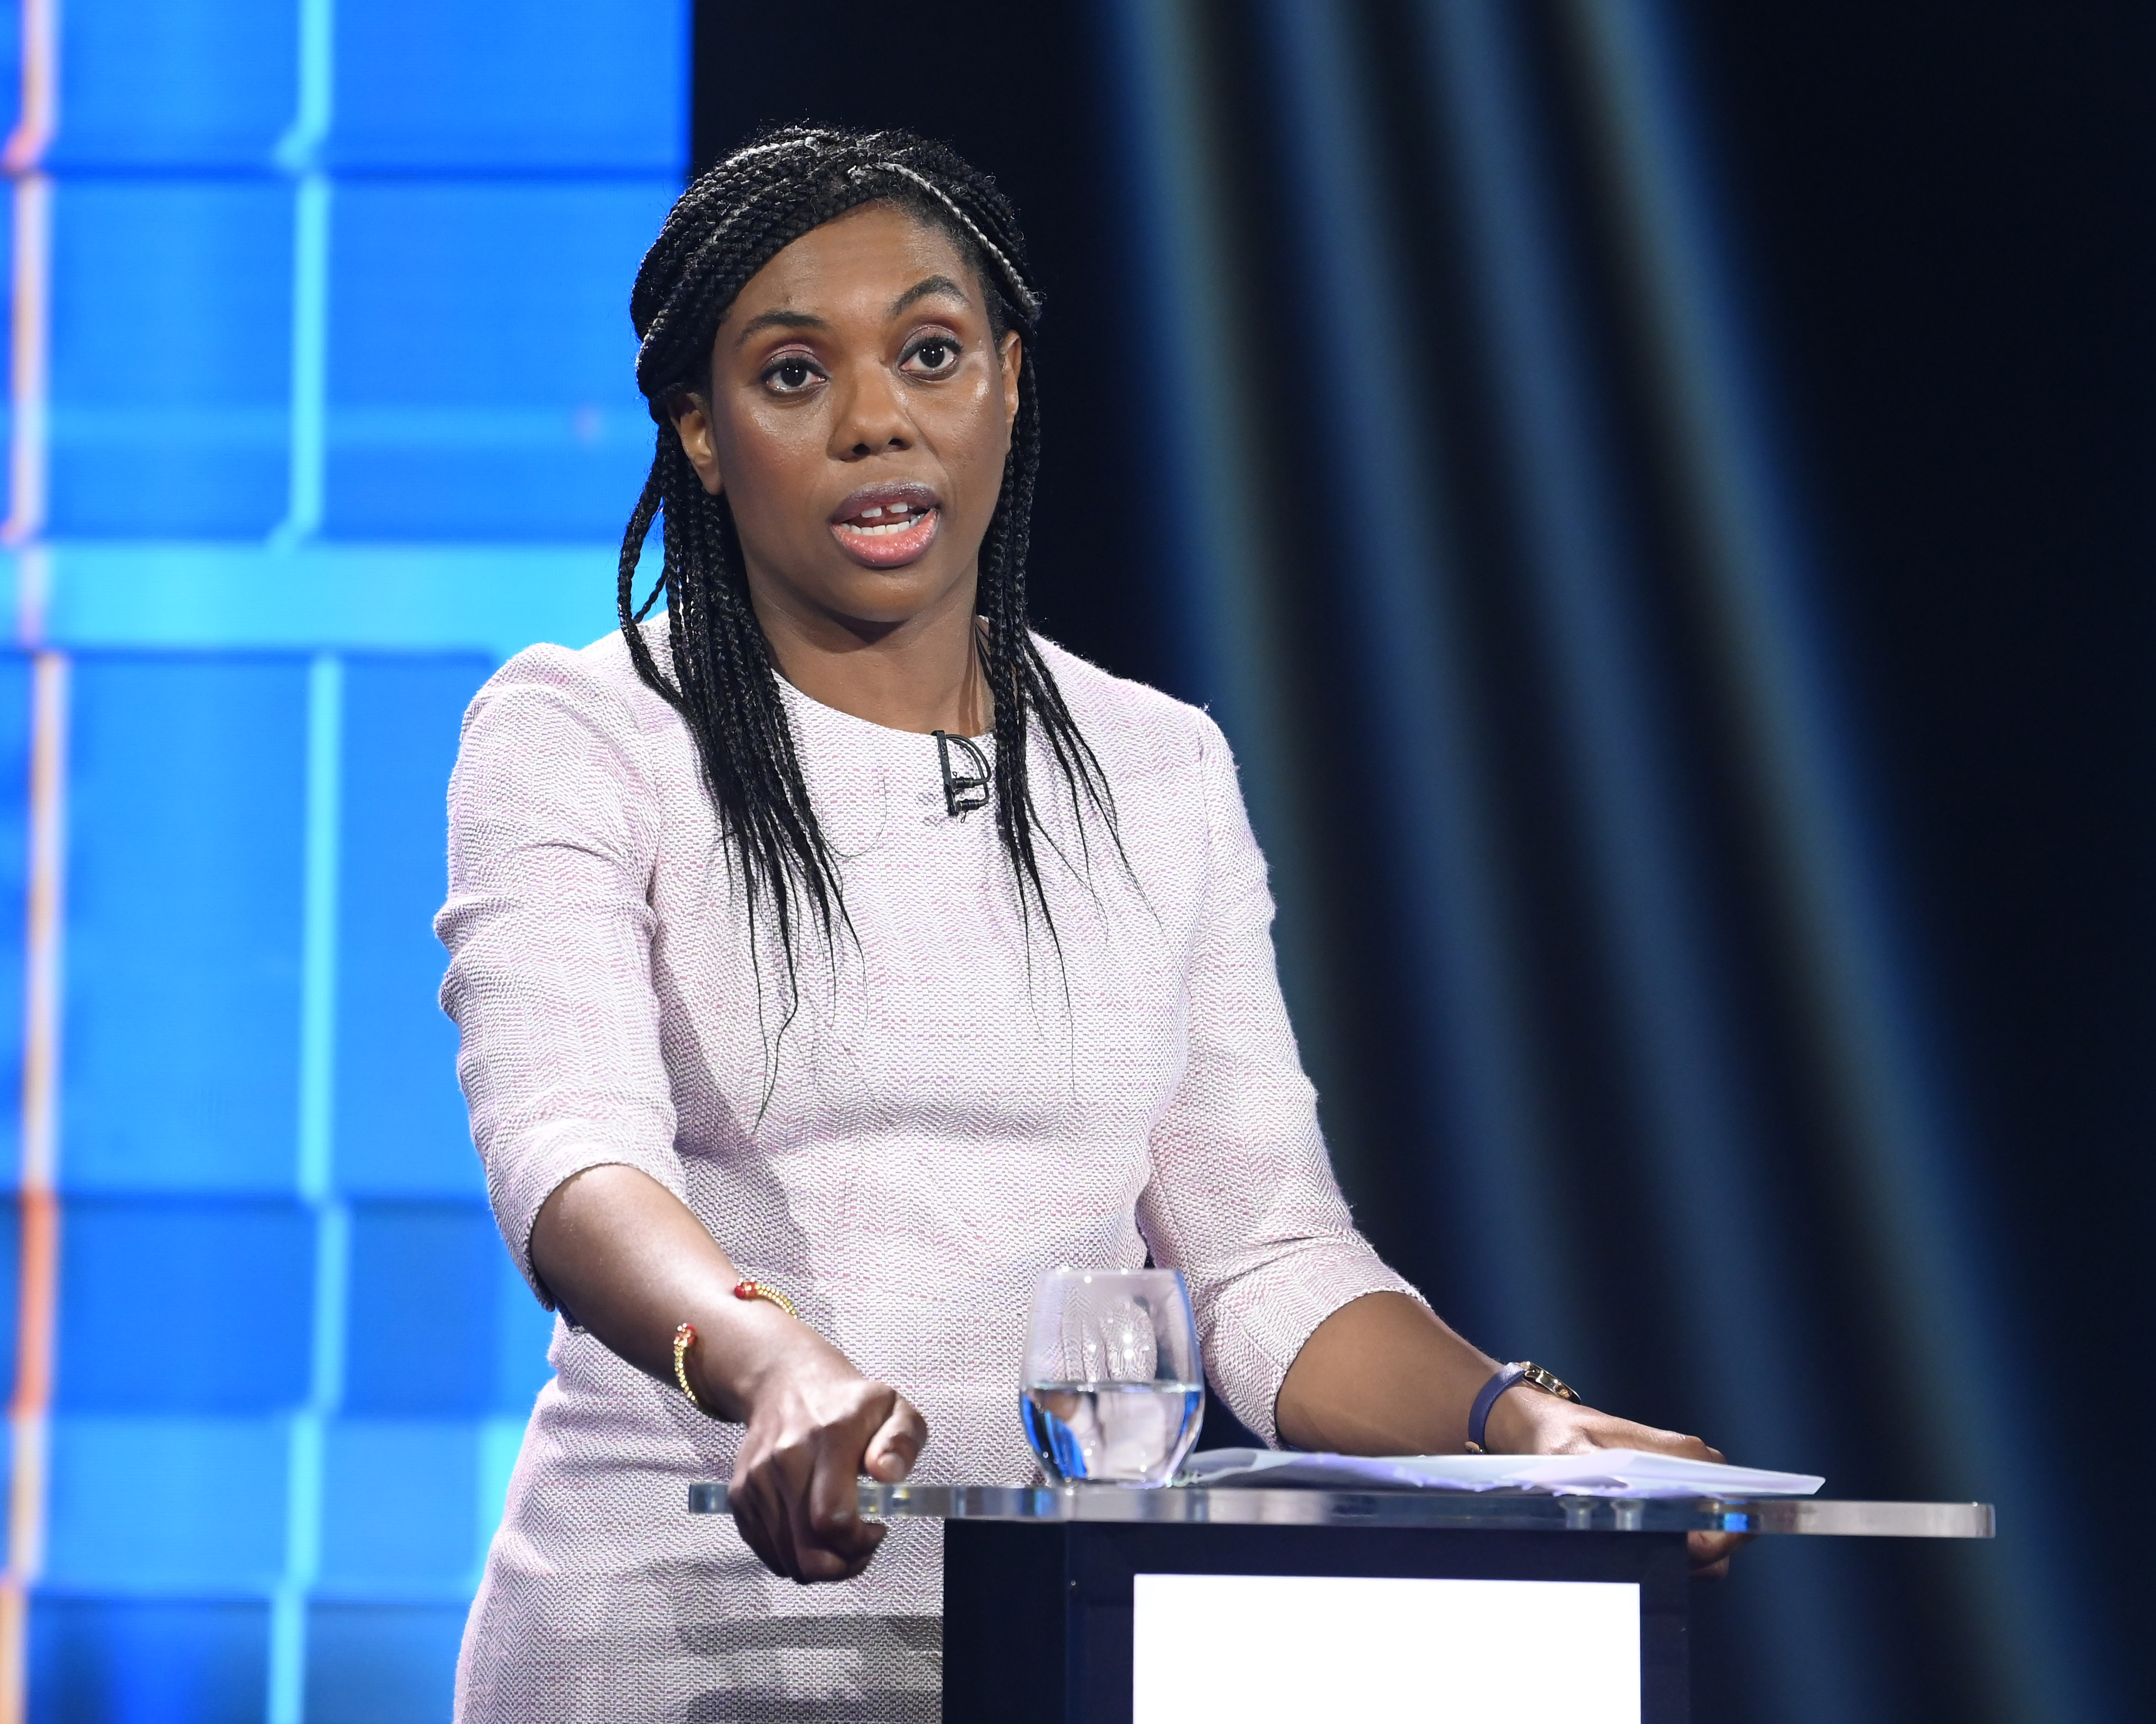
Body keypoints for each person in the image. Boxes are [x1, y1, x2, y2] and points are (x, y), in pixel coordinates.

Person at [437, 124, 1736, 1723]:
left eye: (931, 354)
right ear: (699, 432)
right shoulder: (585, 728)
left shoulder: (1158, 767)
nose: (876, 422)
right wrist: (773, 1362)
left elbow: (1265, 1255)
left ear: (1009, 381)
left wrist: (1511, 1424)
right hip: (681, 1635)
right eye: (792, 377)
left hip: (1068, 1648)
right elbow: (573, 1159)